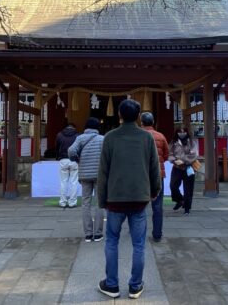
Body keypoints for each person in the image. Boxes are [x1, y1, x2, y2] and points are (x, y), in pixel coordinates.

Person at [97, 99, 161, 299]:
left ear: (119, 115)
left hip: (115, 199)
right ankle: (135, 285)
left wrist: (102, 200)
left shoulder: (110, 137)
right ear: (139, 116)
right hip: (139, 198)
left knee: (112, 241)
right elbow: (154, 168)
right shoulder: (146, 138)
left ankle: (112, 284)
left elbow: (103, 172)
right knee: (139, 244)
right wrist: (155, 190)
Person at [68, 117, 105, 243]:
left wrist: (76, 159)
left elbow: (71, 151)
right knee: (100, 203)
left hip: (84, 174)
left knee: (86, 203)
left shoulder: (80, 138)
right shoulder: (102, 139)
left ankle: (88, 234)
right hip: (100, 175)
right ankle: (98, 233)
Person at [140, 112, 169, 242]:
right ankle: (157, 234)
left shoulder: (138, 136)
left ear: (141, 122)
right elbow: (166, 155)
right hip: (158, 175)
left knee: (139, 205)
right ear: (153, 122)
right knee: (157, 206)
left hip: (141, 174)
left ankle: (138, 231)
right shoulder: (161, 136)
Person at [168, 125, 199, 216]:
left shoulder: (192, 142)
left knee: (188, 189)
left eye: (183, 132)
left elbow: (194, 154)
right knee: (173, 185)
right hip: (177, 167)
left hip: (189, 167)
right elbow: (170, 153)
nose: (182, 134)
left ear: (187, 132)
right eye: (179, 132)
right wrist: (174, 160)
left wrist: (184, 160)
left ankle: (187, 207)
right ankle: (180, 200)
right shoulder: (174, 142)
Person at [56, 122, 79, 208]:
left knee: (63, 182)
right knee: (74, 182)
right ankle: (72, 202)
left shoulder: (59, 135)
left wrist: (57, 157)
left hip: (63, 160)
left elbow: (57, 148)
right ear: (74, 128)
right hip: (74, 160)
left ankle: (62, 202)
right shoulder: (77, 136)